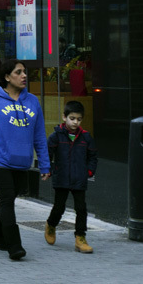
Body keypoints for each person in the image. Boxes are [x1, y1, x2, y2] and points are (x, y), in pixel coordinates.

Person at [0, 59, 51, 261]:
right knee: (7, 199)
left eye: (25, 72)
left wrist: (45, 164)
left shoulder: (32, 102)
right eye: (18, 72)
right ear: (6, 77)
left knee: (10, 198)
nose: (24, 76)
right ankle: (15, 246)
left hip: (22, 161)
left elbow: (39, 136)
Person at [46, 100, 98, 253]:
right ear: (64, 117)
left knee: (81, 209)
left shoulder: (86, 138)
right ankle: (50, 225)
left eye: (79, 119)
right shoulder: (56, 136)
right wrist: (47, 169)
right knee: (59, 207)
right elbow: (46, 154)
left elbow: (93, 156)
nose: (75, 122)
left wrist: (89, 172)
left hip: (79, 178)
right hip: (61, 178)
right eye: (72, 118)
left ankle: (80, 238)